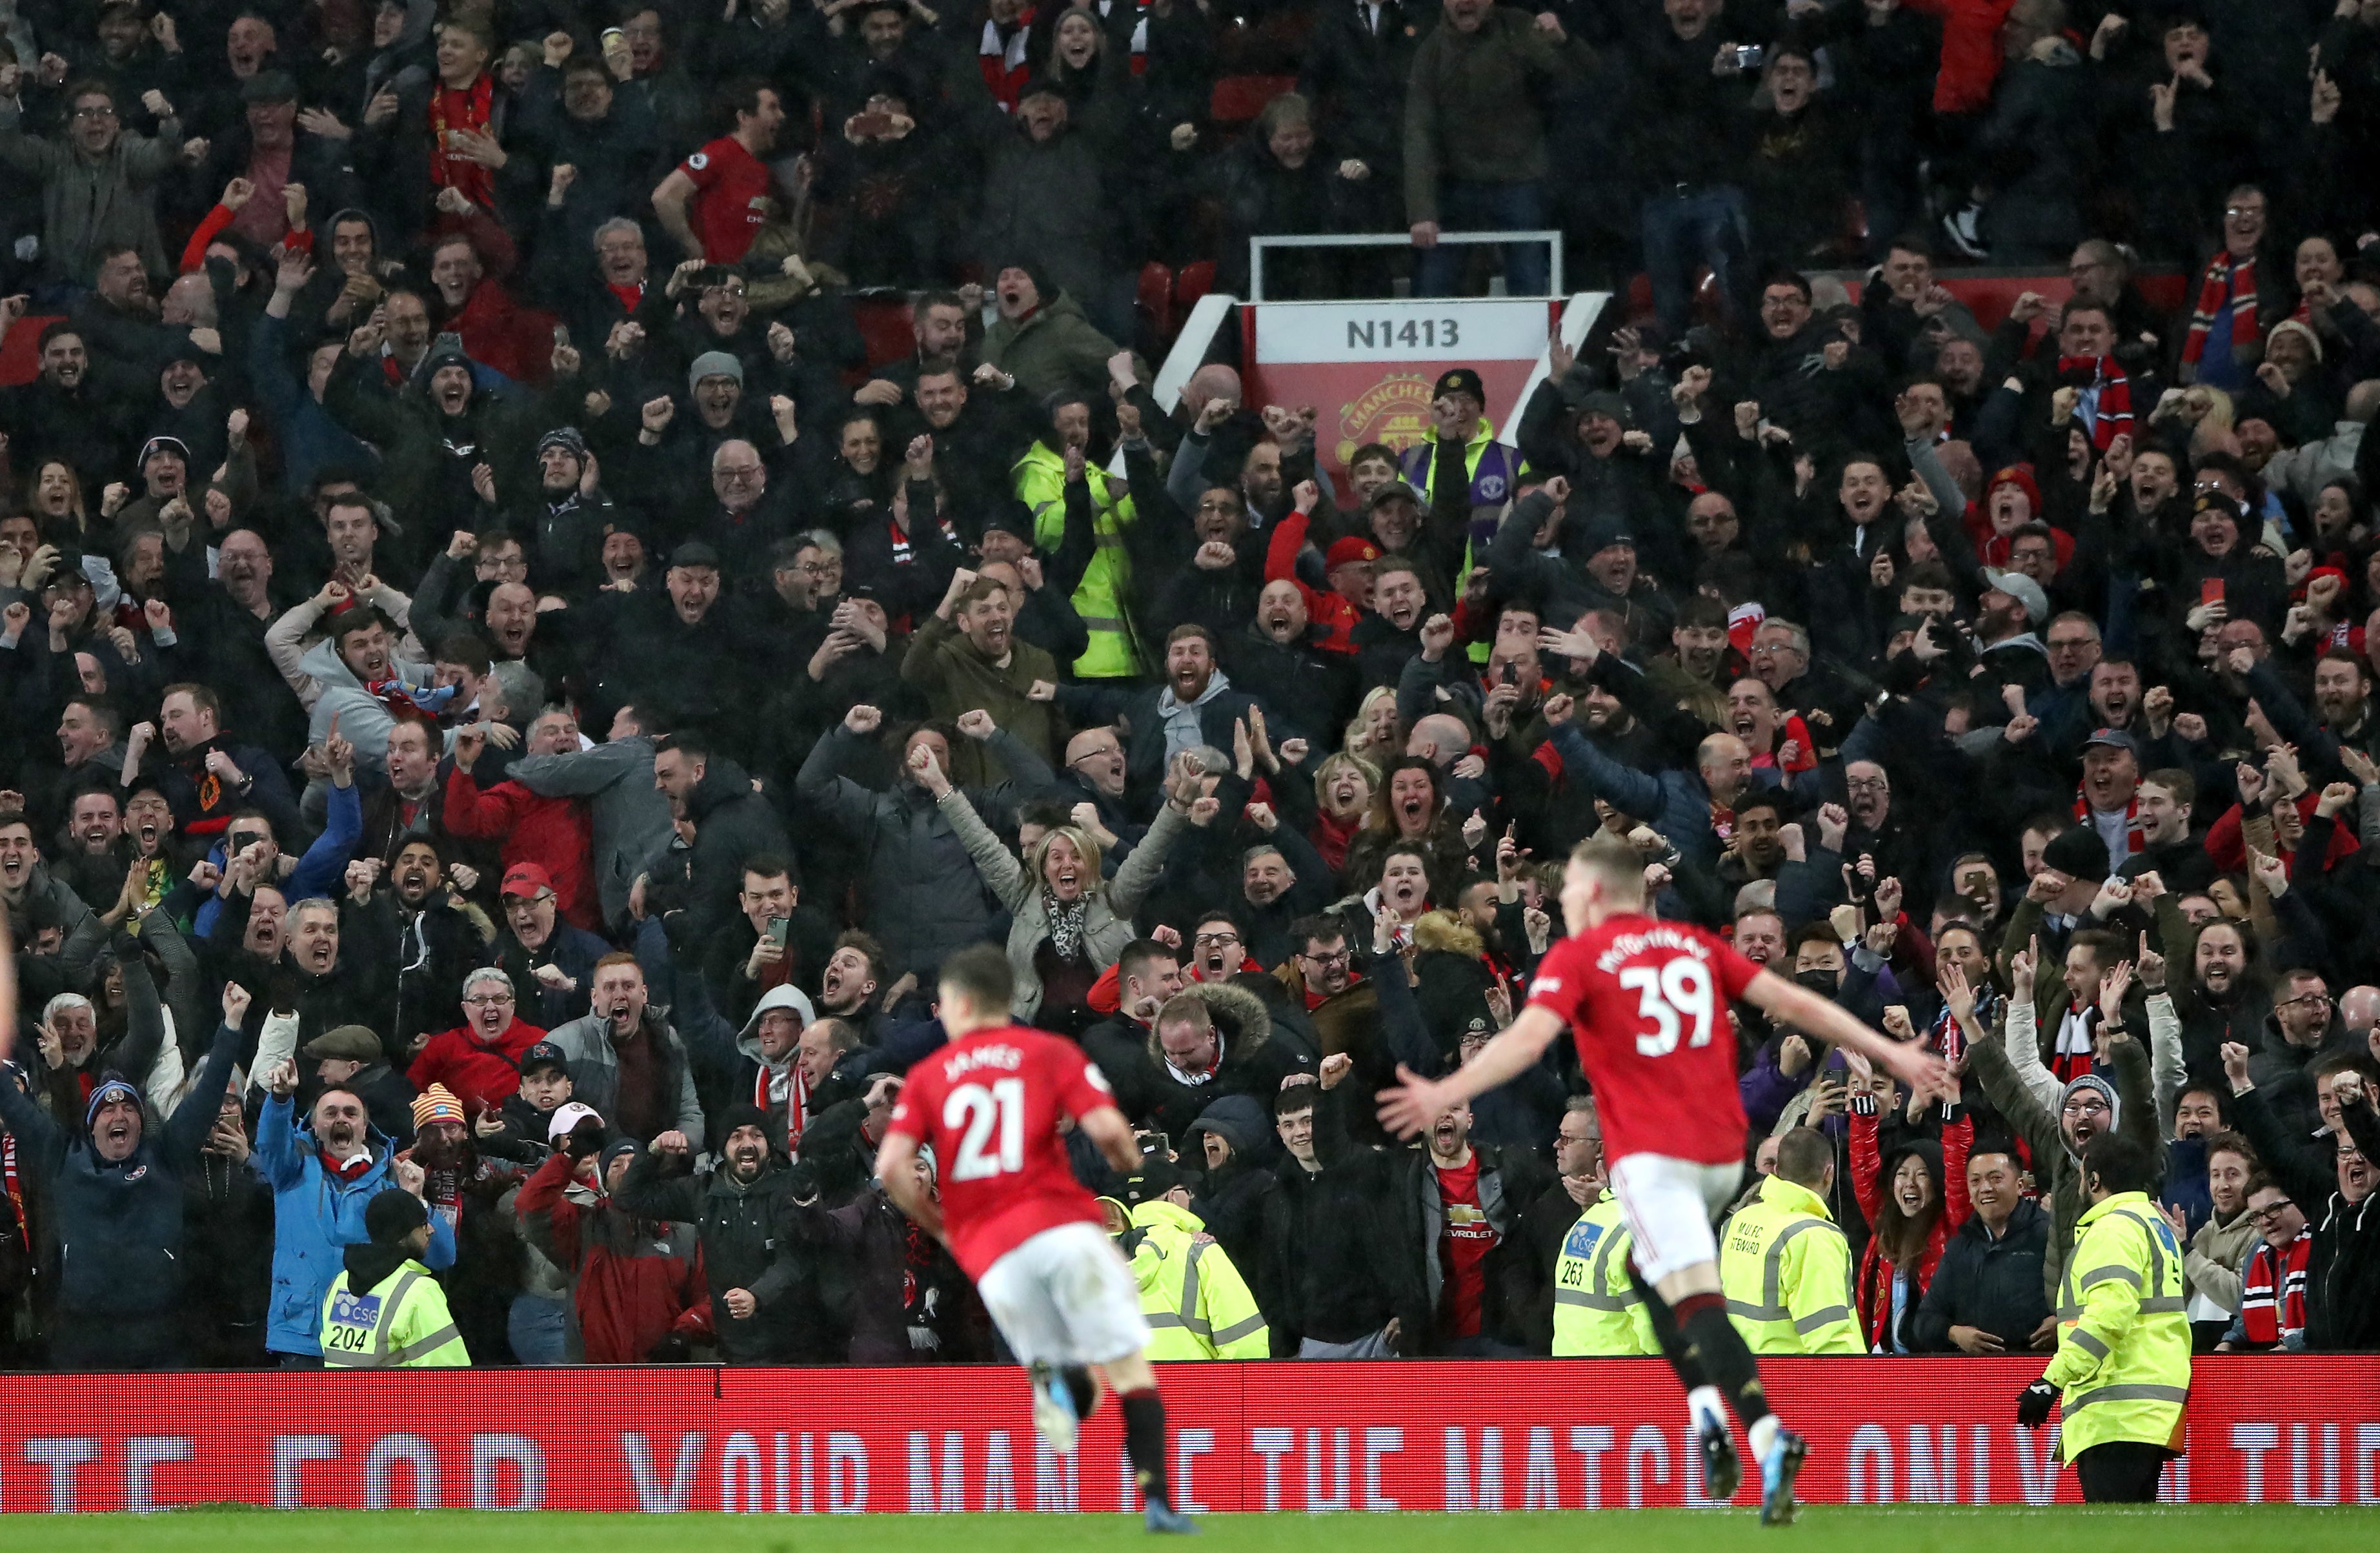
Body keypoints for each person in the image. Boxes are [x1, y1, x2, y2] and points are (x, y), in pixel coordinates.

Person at [1377, 832, 1948, 1524]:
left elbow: (1524, 1043)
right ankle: (1750, 1430)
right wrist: (1890, 1049)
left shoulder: (1580, 957)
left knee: (1681, 1297)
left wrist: (1448, 1089)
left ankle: (1738, 1428)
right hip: (1720, 1149)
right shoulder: (1694, 948)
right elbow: (1797, 1004)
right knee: (1659, 1281)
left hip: (1653, 1154)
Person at [875, 944, 1196, 1533]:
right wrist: (1129, 1160)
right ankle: (1157, 1499)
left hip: (993, 1247)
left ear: (963, 1003)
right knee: (1128, 1367)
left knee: (1049, 1359)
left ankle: (1057, 1376)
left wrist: (943, 1225)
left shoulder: (929, 1077)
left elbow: (893, 1168)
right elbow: (1113, 1137)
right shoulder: (1049, 1053)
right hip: (1061, 1226)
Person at [2015, 1133, 2191, 1503]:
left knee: (2114, 1538)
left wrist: (2052, 1380)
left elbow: (2109, 1316)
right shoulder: (2154, 1227)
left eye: (2082, 1175)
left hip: (2118, 1408)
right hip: (2148, 1404)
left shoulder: (2113, 1229)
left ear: (2094, 1180)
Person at [1718, 1127, 1863, 1356]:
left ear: (1776, 1170)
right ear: (1829, 1172)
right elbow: (1831, 1337)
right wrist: (1857, 1387)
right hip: (1792, 1381)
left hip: (1743, 1372)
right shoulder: (1814, 1236)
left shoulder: (1738, 1221)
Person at [1113, 1157, 1269, 1360]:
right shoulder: (1200, 1251)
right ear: (1173, 1197)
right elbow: (1245, 1341)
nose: (1190, 1198)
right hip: (1192, 1384)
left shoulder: (1108, 1255)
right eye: (1187, 1192)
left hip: (1130, 1385)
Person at [319, 1188, 470, 1368]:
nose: (431, 1229)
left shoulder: (340, 1283)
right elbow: (448, 1374)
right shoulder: (420, 1292)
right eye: (422, 1223)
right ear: (400, 1236)